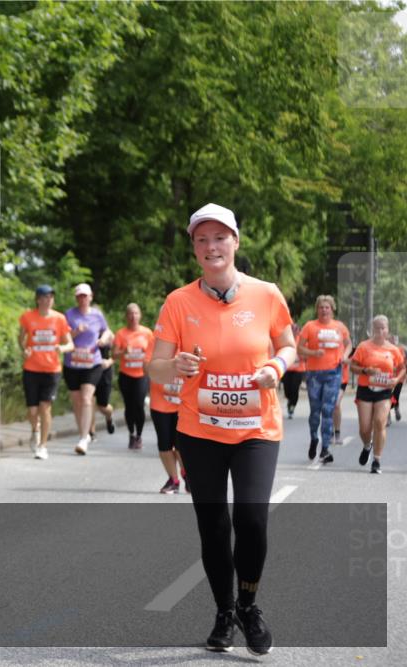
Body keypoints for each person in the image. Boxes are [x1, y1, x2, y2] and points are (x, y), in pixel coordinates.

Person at [149, 203, 297, 656]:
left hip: (256, 428)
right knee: (213, 527)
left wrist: (276, 365)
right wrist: (173, 365)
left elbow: (288, 345)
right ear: (194, 248)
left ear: (235, 241)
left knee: (250, 519)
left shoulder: (267, 294)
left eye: (219, 238)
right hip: (199, 431)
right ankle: (223, 610)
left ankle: (248, 605)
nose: (211, 247)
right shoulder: (178, 301)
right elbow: (153, 369)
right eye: (201, 240)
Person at [18, 285, 73, 459]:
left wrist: (62, 348)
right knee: (33, 411)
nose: (48, 300)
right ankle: (35, 429)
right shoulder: (27, 317)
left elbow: (70, 344)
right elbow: (21, 338)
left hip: (52, 369)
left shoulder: (59, 319)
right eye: (44, 297)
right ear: (38, 299)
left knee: (45, 408)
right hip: (31, 369)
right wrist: (23, 349)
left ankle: (43, 446)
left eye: (50, 297)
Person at [297, 295, 351, 463]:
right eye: (321, 307)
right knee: (315, 411)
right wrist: (313, 353)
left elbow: (349, 343)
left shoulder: (339, 327)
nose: (324, 310)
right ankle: (314, 439)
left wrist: (344, 355)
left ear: (332, 309)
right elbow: (299, 349)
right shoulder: (310, 326)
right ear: (317, 309)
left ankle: (325, 448)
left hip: (333, 373)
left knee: (328, 410)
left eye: (327, 307)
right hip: (314, 374)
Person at [350, 316, 405, 474]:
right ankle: (367, 445)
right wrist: (365, 370)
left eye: (383, 328)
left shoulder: (393, 349)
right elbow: (353, 366)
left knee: (380, 422)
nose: (380, 331)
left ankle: (377, 460)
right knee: (364, 428)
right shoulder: (363, 346)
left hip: (385, 391)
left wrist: (396, 379)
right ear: (372, 330)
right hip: (366, 389)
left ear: (387, 330)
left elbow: (402, 367)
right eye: (377, 328)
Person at [63, 283, 113, 455]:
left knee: (86, 398)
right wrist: (76, 332)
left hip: (92, 363)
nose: (82, 299)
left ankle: (84, 438)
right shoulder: (69, 315)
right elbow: (63, 337)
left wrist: (104, 339)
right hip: (72, 363)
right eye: (79, 296)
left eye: (85, 296)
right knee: (77, 401)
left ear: (90, 297)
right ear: (76, 298)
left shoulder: (97, 315)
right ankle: (83, 433)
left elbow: (107, 331)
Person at [145, 316, 186, 494]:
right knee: (164, 444)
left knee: (182, 446)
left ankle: (187, 473)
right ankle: (173, 479)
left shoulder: (189, 338)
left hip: (184, 405)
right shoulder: (155, 341)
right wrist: (169, 365)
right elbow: (148, 367)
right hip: (161, 403)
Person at [113, 303, 154, 449]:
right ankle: (131, 433)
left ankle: (139, 436)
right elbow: (113, 354)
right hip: (126, 375)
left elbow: (153, 353)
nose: (133, 316)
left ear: (140, 315)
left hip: (142, 375)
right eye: (130, 313)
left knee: (139, 405)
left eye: (136, 313)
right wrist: (124, 352)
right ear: (126, 316)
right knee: (129, 407)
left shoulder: (147, 333)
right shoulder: (121, 333)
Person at [282, 323, 306, 419]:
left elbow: (305, 353)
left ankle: (292, 406)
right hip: (286, 369)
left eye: (296, 330)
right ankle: (289, 400)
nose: (294, 332)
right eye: (292, 330)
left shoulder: (301, 340)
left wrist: (301, 355)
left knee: (295, 389)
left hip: (298, 369)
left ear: (299, 331)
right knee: (287, 390)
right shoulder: (285, 339)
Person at [392, 334, 405, 423]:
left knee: (395, 395)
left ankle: (396, 407)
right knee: (386, 396)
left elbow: (404, 364)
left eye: (395, 339)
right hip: (388, 377)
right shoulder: (385, 349)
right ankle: (387, 416)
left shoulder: (402, 350)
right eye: (392, 339)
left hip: (399, 377)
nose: (394, 340)